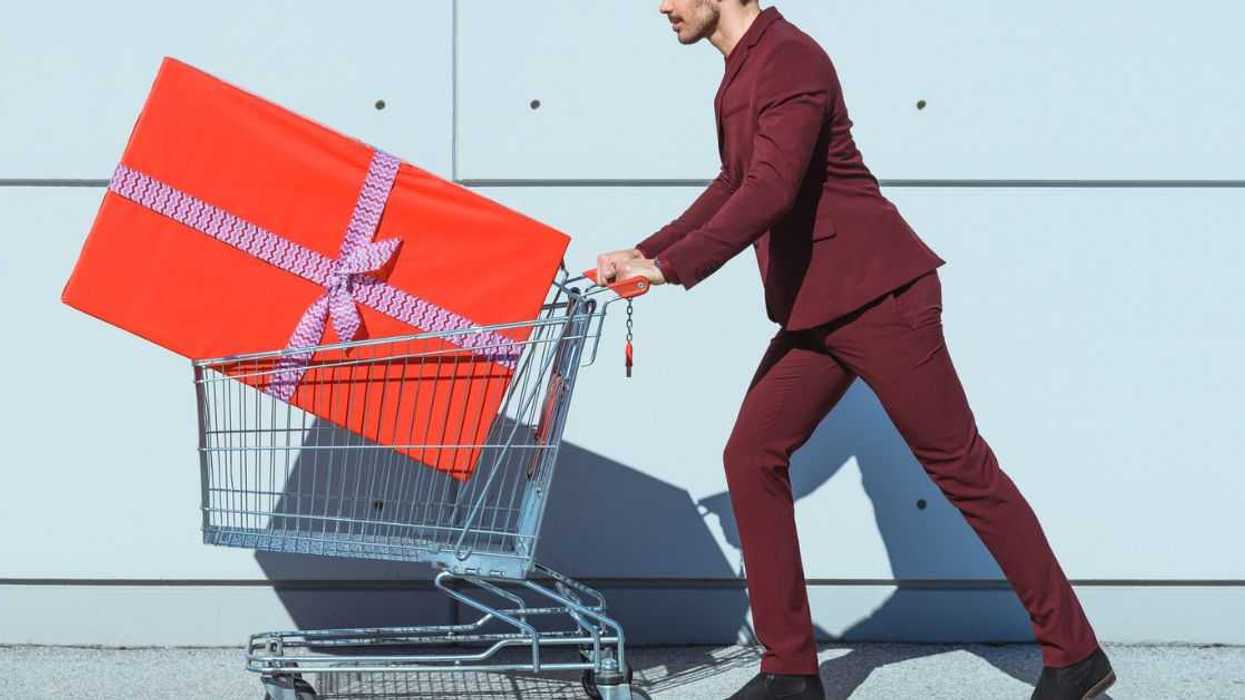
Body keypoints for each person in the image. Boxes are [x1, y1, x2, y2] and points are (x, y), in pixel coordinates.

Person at [595, 2, 1117, 699]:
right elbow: (732, 183)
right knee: (751, 456)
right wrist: (647, 248)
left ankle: (1075, 653)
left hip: (879, 300)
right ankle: (789, 672)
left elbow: (770, 191)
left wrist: (672, 268)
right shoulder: (738, 71)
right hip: (818, 309)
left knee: (962, 469)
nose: (660, 4)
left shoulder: (791, 59)